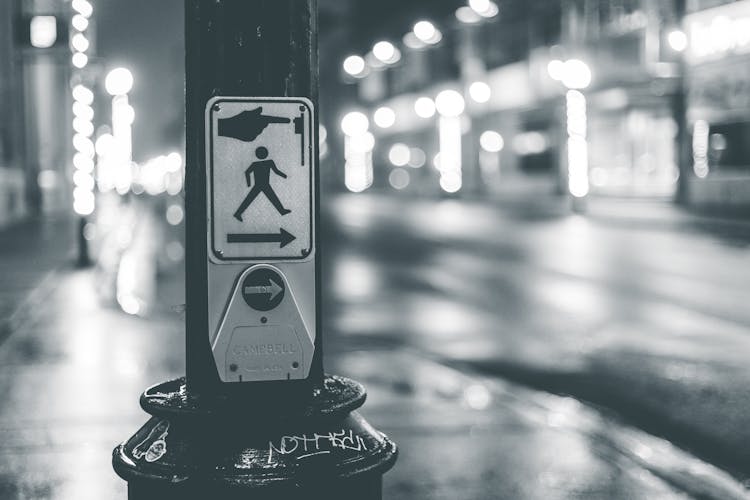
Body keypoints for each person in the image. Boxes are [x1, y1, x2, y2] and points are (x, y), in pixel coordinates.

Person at [233, 146, 291, 221]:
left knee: (271, 198)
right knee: (250, 199)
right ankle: (238, 213)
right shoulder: (266, 162)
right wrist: (285, 176)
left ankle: (282, 211)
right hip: (260, 185)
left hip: (263, 185)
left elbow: (247, 172)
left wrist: (249, 183)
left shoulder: (260, 163)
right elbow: (276, 171)